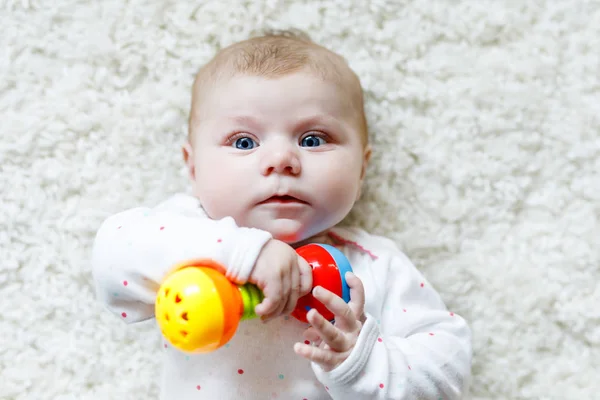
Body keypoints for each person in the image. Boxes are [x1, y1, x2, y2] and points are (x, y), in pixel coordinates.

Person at [91, 29, 472, 399]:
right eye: (244, 142)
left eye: (313, 139)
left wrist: (360, 362)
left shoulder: (376, 265)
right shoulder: (183, 234)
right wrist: (244, 253)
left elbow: (447, 367)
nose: (281, 161)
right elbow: (111, 258)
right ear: (193, 167)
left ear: (361, 168)